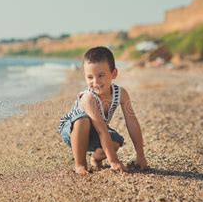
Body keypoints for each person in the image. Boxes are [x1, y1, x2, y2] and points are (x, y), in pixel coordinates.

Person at [59, 46, 148, 175]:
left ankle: (95, 158)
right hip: (72, 131)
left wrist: (140, 155)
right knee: (83, 120)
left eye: (101, 75)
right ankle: (80, 164)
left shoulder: (121, 93)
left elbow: (132, 122)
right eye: (90, 77)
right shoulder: (88, 98)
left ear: (114, 74)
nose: (95, 82)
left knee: (116, 142)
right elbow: (101, 130)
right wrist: (114, 161)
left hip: (96, 130)